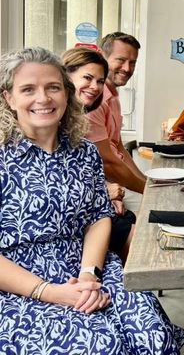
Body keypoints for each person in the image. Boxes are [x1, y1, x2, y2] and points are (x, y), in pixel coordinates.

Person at [0, 47, 184, 353]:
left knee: (153, 336)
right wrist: (52, 293)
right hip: (20, 283)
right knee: (98, 346)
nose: (43, 98)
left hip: (87, 265)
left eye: (53, 87)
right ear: (9, 98)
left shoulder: (84, 152)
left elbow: (99, 216)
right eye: (28, 89)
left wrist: (89, 275)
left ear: (66, 93)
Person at [62, 47, 136, 262]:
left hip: (93, 215)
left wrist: (102, 194)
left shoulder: (76, 127)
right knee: (147, 238)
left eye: (100, 81)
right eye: (87, 78)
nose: (95, 87)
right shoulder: (46, 126)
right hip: (72, 230)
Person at [86, 32, 146, 195]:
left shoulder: (113, 96)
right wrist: (146, 190)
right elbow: (108, 163)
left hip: (117, 183)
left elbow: (118, 146)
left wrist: (146, 182)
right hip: (102, 187)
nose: (127, 69)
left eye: (132, 63)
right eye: (120, 60)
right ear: (101, 56)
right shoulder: (93, 100)